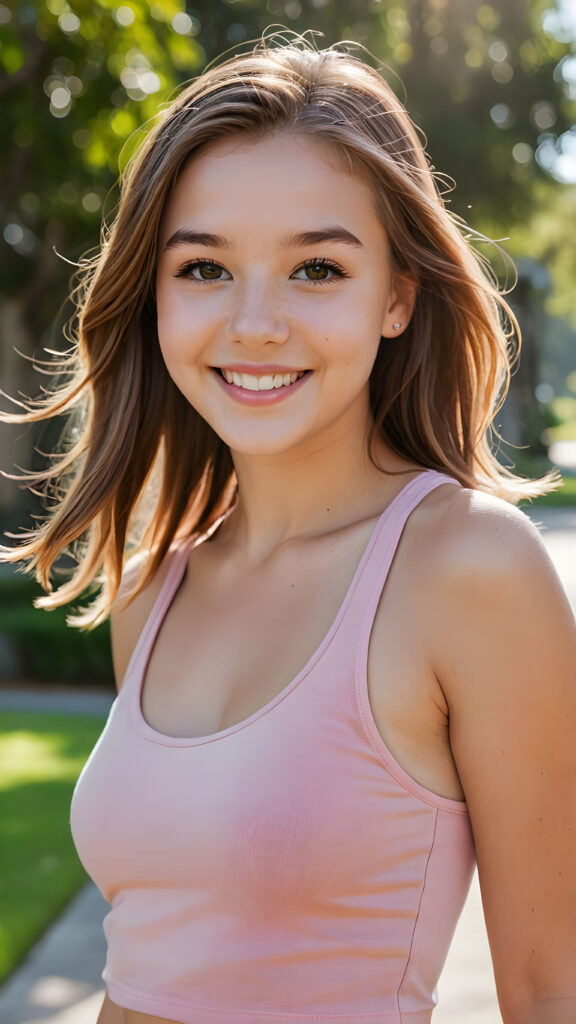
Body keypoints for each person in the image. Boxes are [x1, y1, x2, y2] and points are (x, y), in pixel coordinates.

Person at [2, 34, 575, 1024]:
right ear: (157, 294)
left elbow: (551, 990)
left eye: (316, 269)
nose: (255, 323)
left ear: (397, 296)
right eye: (205, 269)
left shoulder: (470, 569)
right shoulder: (158, 584)